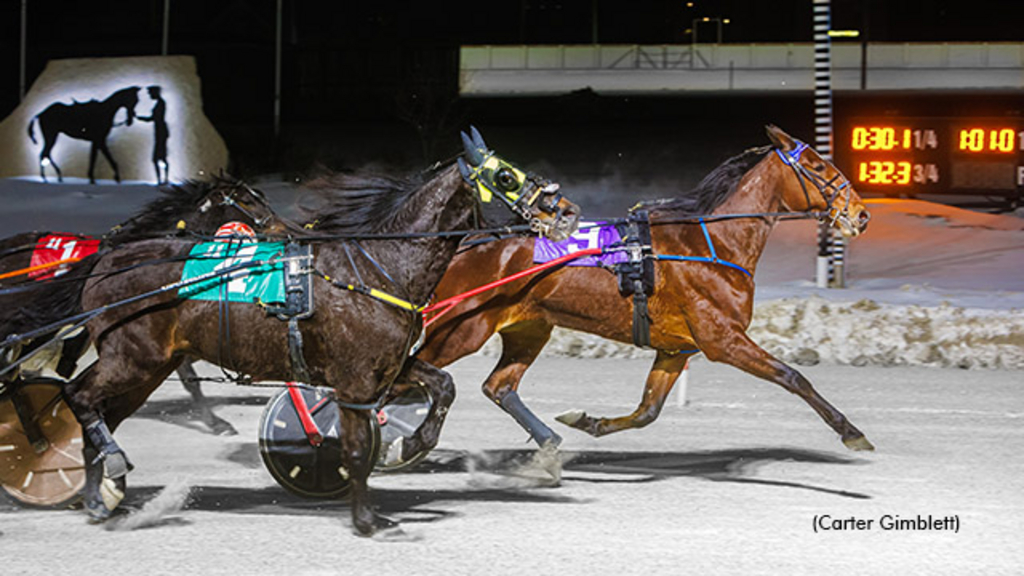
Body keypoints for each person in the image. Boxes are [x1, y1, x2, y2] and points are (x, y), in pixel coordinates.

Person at [137, 85, 169, 184]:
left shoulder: (160, 103)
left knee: (158, 158)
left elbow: (155, 118)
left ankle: (162, 179)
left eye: (150, 93)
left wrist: (142, 118)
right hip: (160, 132)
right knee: (160, 157)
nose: (150, 95)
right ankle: (163, 179)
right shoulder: (160, 103)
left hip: (160, 132)